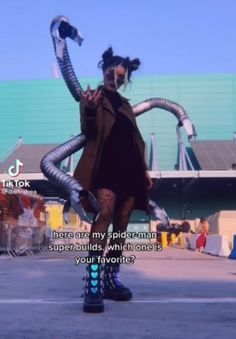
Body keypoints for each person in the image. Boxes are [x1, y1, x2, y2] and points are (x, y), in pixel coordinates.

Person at [73, 47, 152, 312]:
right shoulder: (93, 96)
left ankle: (111, 278)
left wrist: (144, 171)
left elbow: (135, 140)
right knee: (103, 215)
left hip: (130, 170)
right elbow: (88, 129)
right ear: (103, 70)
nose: (115, 79)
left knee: (121, 225)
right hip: (105, 167)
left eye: (121, 77)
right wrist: (91, 110)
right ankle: (93, 282)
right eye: (111, 73)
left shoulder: (126, 105)